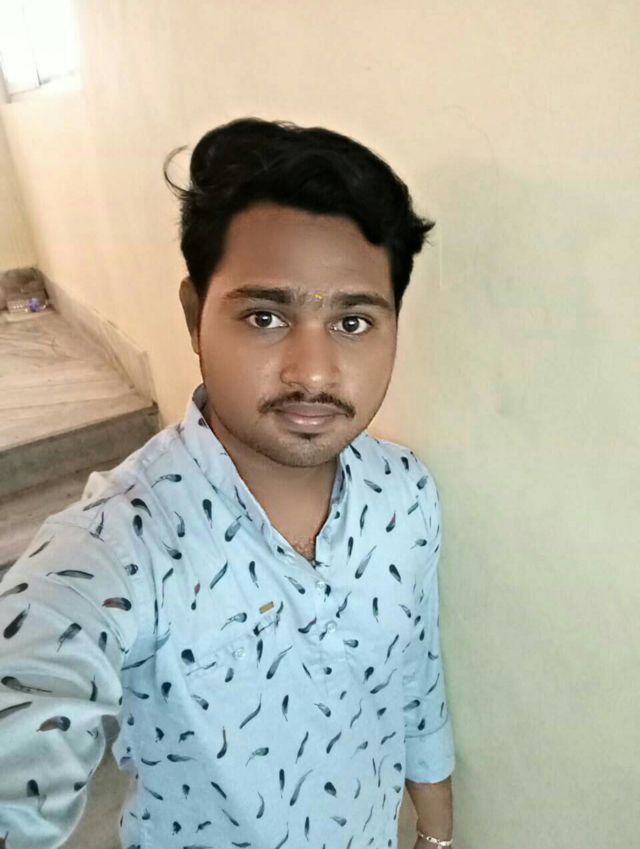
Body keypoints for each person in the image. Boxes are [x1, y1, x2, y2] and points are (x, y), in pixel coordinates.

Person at [0, 117, 455, 849]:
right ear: (195, 317)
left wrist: (436, 836)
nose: (313, 373)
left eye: (353, 323)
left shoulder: (405, 494)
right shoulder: (119, 544)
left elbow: (416, 680)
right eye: (266, 316)